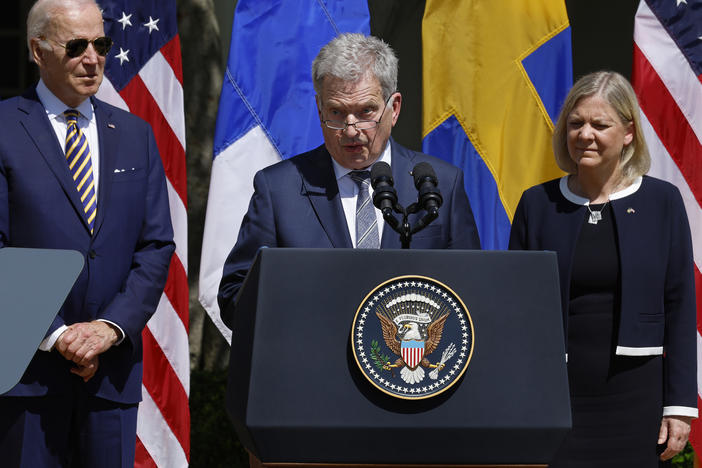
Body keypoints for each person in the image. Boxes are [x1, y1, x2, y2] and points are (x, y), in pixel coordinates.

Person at [0, 0, 175, 466]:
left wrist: (108, 329)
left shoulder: (136, 134)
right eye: (76, 45)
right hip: (27, 377)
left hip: (111, 375)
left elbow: (155, 245)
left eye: (101, 43)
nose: (93, 57)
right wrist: (58, 336)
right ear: (38, 51)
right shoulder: (3, 128)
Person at [217, 33, 481, 328]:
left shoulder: (440, 183)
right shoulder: (279, 190)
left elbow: (472, 293)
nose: (351, 129)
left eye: (366, 111)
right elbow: (233, 299)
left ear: (393, 109)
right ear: (319, 110)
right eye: (337, 113)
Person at [509, 71, 697, 467]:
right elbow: (517, 310)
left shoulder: (662, 202)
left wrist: (680, 405)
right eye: (576, 123)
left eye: (600, 124)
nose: (585, 134)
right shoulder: (536, 204)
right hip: (555, 396)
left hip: (636, 399)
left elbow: (681, 306)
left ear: (628, 132)